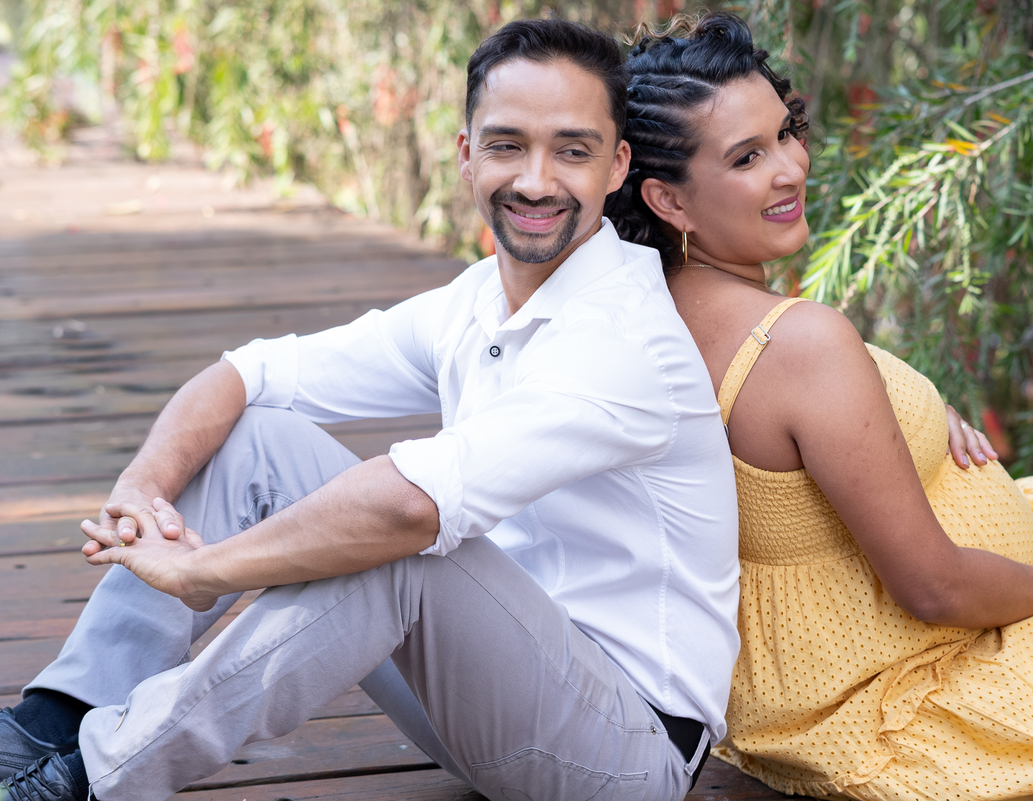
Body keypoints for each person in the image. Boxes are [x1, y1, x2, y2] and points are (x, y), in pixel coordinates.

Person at [0, 19, 741, 801]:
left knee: (401, 542)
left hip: (624, 751)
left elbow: (407, 508)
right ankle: (51, 722)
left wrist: (203, 570)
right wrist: (141, 487)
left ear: (617, 165)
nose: (535, 180)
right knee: (258, 438)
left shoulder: (623, 340)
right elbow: (245, 374)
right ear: (466, 153)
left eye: (572, 151)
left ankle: (88, 778)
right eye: (507, 145)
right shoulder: (477, 300)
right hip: (485, 692)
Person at [604, 12, 1033, 801]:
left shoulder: (654, 309)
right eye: (747, 157)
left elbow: (787, 448)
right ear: (667, 199)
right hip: (899, 692)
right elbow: (934, 588)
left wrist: (897, 406)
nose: (790, 168)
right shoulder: (796, 344)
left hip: (802, 680)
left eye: (785, 134)